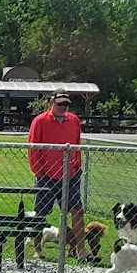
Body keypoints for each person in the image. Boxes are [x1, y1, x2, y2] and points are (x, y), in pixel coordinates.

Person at [27, 91, 88, 260]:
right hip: (46, 175)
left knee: (77, 210)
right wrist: (40, 172)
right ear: (52, 102)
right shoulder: (39, 121)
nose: (63, 107)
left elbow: (76, 145)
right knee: (40, 213)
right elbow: (33, 148)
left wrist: (77, 166)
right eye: (60, 103)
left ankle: (81, 251)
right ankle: (37, 250)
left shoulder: (74, 121)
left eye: (66, 104)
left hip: (71, 175)